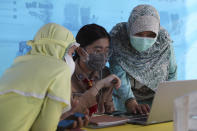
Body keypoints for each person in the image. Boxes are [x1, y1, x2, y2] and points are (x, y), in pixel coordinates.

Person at [0, 23, 86, 131]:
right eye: (71, 53)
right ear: (60, 49)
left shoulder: (17, 65)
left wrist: (66, 115)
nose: (72, 58)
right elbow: (44, 128)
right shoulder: (60, 70)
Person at [109, 4, 177, 114]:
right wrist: (130, 101)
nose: (144, 39)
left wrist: (164, 101)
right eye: (139, 33)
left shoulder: (163, 41)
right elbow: (118, 75)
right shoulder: (119, 38)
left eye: (150, 34)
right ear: (130, 29)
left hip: (156, 100)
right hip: (125, 100)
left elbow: (172, 73)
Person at [71, 24, 121, 116]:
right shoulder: (65, 74)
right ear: (80, 51)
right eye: (98, 51)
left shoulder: (105, 73)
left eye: (106, 51)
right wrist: (98, 86)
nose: (103, 56)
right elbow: (70, 113)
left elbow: (109, 111)